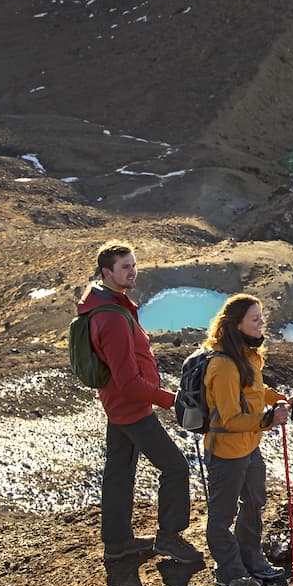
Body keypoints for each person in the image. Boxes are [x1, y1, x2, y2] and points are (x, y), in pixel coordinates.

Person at [81, 241, 201, 566]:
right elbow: (128, 381)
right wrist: (172, 401)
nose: (132, 272)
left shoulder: (110, 305)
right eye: (125, 267)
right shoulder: (113, 319)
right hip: (131, 408)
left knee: (119, 472)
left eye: (134, 265)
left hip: (119, 406)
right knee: (175, 467)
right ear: (107, 272)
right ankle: (169, 537)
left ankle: (117, 544)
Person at [199, 293, 293, 586]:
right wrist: (268, 420)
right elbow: (229, 419)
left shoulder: (247, 355)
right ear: (237, 325)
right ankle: (230, 571)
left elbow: (256, 389)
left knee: (254, 502)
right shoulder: (224, 366)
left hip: (249, 447)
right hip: (227, 452)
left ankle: (251, 558)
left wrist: (283, 400)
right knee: (222, 515)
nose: (262, 323)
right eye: (255, 319)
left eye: (261, 316)